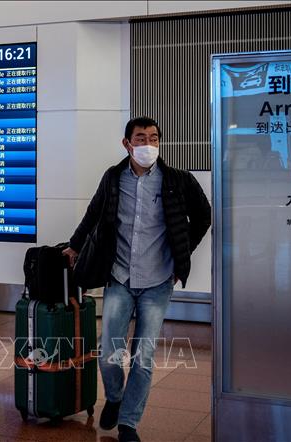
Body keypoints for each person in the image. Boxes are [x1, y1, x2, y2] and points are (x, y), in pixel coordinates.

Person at [62, 116, 211, 442]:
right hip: (120, 277)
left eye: (154, 138)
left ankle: (129, 422)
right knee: (109, 353)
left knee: (143, 357)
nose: (148, 145)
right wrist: (74, 244)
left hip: (158, 281)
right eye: (141, 138)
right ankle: (115, 397)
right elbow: (94, 211)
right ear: (127, 144)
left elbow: (203, 215)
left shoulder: (177, 180)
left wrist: (182, 254)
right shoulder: (114, 178)